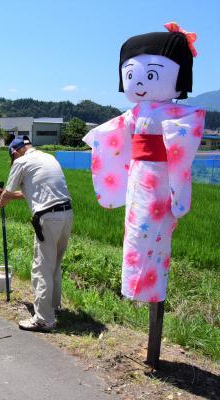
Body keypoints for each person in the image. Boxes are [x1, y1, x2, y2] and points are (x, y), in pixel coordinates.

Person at [83, 22, 205, 302]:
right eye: (132, 75)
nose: (139, 83)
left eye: (151, 75)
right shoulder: (136, 113)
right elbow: (116, 130)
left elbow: (189, 129)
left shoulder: (178, 113)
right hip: (139, 177)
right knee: (136, 233)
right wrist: (99, 136)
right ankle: (132, 286)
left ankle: (152, 289)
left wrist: (171, 134)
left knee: (157, 232)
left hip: (161, 176)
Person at [0, 136, 73, 332]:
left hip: (48, 217)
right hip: (66, 214)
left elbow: (7, 193)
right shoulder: (48, 157)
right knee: (54, 263)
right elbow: (27, 192)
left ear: (15, 152)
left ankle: (43, 319)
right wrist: (9, 196)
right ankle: (53, 307)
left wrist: (2, 199)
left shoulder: (21, 162)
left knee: (41, 268)